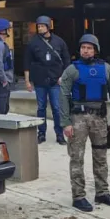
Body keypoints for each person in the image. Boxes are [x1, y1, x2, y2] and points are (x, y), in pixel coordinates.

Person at [59, 34, 110, 212]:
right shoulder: (72, 70)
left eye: (89, 48)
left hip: (100, 118)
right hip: (78, 119)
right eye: (83, 48)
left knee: (101, 157)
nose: (86, 51)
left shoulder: (106, 69)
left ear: (95, 50)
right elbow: (63, 96)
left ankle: (102, 192)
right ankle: (78, 196)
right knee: (77, 158)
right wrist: (65, 123)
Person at [24, 15, 71, 145]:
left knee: (56, 107)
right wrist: (27, 81)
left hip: (56, 80)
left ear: (48, 27)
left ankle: (59, 134)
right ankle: (41, 133)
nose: (40, 28)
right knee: (41, 107)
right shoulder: (33, 43)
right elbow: (27, 62)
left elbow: (67, 60)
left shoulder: (59, 41)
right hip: (39, 80)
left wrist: (64, 76)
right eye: (38, 26)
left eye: (42, 26)